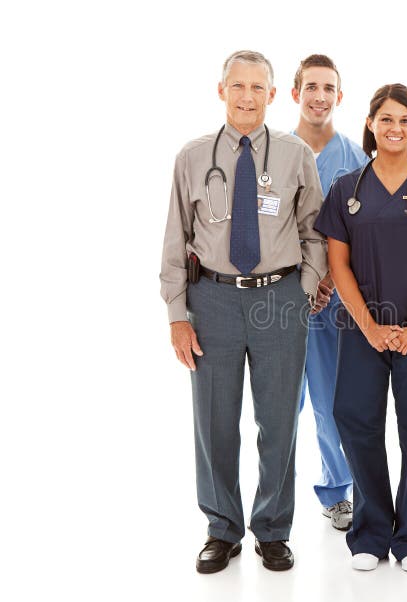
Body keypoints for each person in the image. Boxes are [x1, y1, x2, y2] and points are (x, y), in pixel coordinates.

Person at [160, 50, 329, 574]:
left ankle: (273, 529)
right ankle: (222, 529)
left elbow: (316, 231)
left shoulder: (295, 153)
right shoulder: (191, 158)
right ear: (221, 90)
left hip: (279, 298)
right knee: (214, 422)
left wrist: (304, 288)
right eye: (239, 86)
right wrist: (176, 313)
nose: (248, 97)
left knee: (278, 421)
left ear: (274, 96)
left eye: (259, 88)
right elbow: (175, 239)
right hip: (211, 298)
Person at [314, 84, 407, 573]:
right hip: (361, 329)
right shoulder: (346, 189)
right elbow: (338, 263)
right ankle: (370, 531)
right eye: (386, 118)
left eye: (405, 120)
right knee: (356, 422)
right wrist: (371, 326)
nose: (395, 128)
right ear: (371, 123)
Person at [291, 54, 368, 532]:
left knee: (328, 401)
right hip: (275, 298)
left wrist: (328, 282)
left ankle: (337, 491)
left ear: (340, 96)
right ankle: (269, 500)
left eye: (329, 88)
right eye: (311, 87)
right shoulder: (271, 150)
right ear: (296, 91)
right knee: (275, 407)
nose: (320, 96)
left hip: (331, 302)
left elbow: (363, 234)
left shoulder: (356, 159)